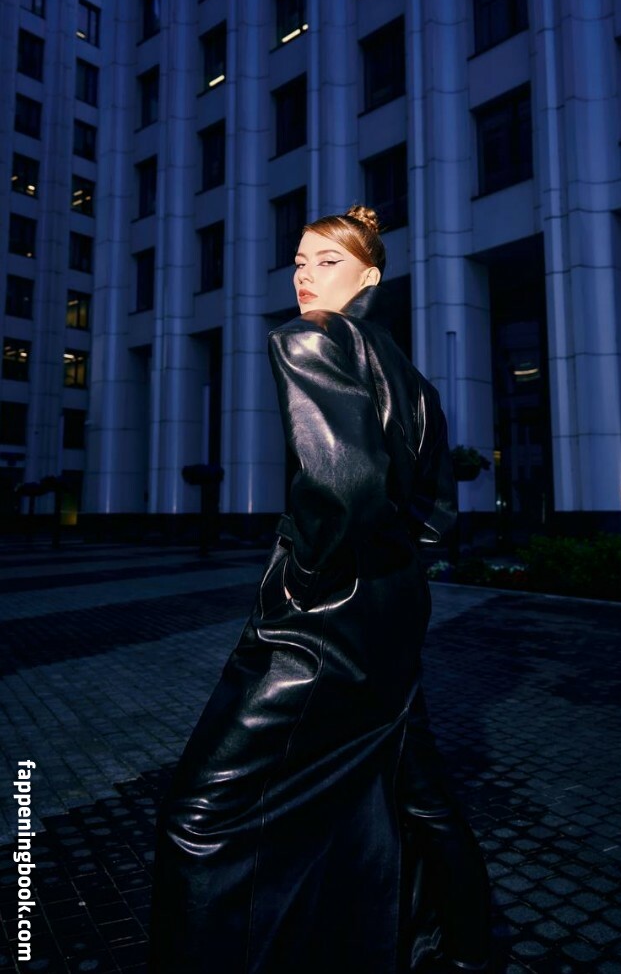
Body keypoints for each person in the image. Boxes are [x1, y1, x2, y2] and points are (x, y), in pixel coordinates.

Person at [149, 205, 491, 973]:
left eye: (327, 262)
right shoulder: (416, 381)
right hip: (394, 618)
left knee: (199, 820)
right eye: (299, 262)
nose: (304, 276)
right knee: (412, 792)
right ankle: (463, 952)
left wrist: (302, 585)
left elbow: (343, 487)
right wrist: (387, 573)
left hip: (321, 624)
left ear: (370, 277)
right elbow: (437, 518)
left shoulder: (308, 340)